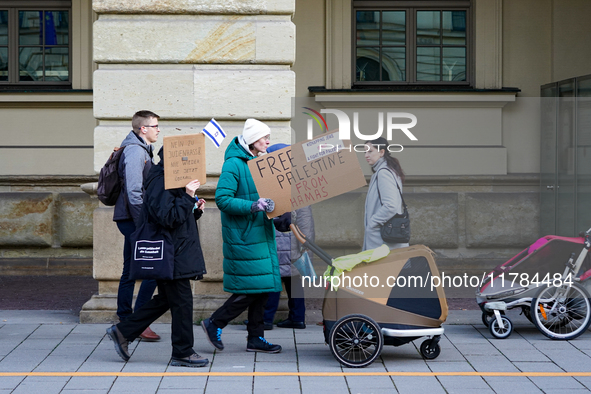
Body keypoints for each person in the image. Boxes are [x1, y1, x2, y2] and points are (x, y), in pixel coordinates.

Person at [106, 147, 208, 367]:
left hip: (177, 251)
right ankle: (183, 352)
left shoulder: (172, 180)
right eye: (186, 160)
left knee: (166, 299)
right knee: (182, 302)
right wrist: (188, 196)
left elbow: (177, 217)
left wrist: (194, 208)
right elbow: (167, 218)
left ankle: (123, 331)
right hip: (173, 254)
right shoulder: (161, 180)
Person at [201, 118, 283, 353]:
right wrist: (253, 206)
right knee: (250, 289)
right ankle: (215, 322)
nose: (268, 140)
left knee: (263, 287)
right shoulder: (234, 164)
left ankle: (255, 338)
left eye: (268, 137)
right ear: (251, 140)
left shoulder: (259, 162)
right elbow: (222, 200)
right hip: (245, 236)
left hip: (260, 234)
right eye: (263, 137)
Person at [112, 110, 161, 341]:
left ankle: (127, 320)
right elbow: (134, 191)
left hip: (130, 218)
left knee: (130, 270)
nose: (158, 130)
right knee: (151, 270)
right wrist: (144, 223)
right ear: (143, 129)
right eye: (155, 126)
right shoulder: (134, 151)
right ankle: (137, 322)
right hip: (134, 220)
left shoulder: (141, 149)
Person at [262, 144, 315, 330]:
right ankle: (298, 318)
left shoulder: (271, 183)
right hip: (295, 238)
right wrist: (307, 240)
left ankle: (266, 319)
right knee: (294, 280)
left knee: (273, 278)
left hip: (277, 237)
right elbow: (306, 215)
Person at [362, 137, 409, 251]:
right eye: (365, 152)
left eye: (370, 151)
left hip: (381, 240)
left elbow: (391, 205)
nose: (366, 155)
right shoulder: (385, 170)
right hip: (384, 239)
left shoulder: (383, 173)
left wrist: (372, 224)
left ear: (381, 152)